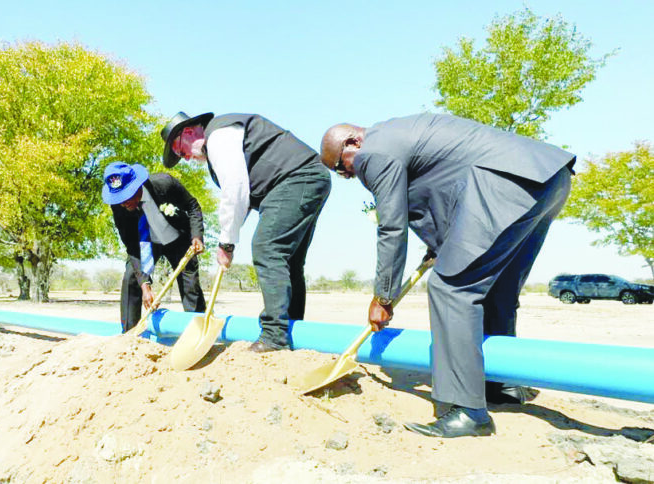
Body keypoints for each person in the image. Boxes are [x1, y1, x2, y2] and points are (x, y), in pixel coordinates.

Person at [320, 113, 575, 438]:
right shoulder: (402, 133)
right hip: (548, 178)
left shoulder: (375, 152)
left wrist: (383, 296)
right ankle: (502, 385)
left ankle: (467, 410)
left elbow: (392, 226)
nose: (351, 175)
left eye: (344, 168)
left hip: (508, 184)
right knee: (495, 288)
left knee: (450, 287)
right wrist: (440, 246)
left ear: (353, 142)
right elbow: (445, 193)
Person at [161, 112, 330, 352]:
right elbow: (245, 200)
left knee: (267, 248)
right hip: (304, 179)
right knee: (288, 260)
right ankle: (292, 330)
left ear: (188, 132)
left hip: (296, 179)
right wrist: (230, 238)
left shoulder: (219, 135)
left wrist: (226, 243)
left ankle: (274, 336)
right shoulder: (220, 140)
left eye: (180, 151)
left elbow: (235, 188)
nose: (185, 158)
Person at [101, 162, 206, 332]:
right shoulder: (119, 207)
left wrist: (196, 236)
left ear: (137, 186)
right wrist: (145, 285)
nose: (122, 203)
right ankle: (129, 333)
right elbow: (131, 246)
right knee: (131, 277)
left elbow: (192, 206)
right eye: (118, 199)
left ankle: (199, 329)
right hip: (147, 243)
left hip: (178, 239)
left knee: (190, 287)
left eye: (126, 197)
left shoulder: (165, 184)